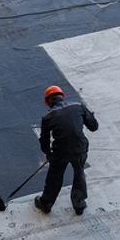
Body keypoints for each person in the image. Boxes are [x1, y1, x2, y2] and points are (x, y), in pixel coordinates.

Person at [34, 85, 99, 215]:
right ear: (62, 96)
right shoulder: (78, 106)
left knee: (55, 176)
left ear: (48, 101)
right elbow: (94, 127)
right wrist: (90, 116)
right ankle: (79, 204)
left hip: (60, 150)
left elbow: (44, 140)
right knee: (79, 174)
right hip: (80, 147)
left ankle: (46, 203)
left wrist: (48, 154)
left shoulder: (48, 117)